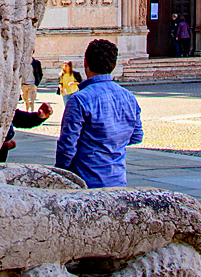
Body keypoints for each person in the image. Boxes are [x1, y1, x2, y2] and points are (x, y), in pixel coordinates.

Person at [55, 38, 143, 186]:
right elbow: (137, 136)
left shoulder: (79, 100)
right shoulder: (129, 97)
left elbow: (67, 146)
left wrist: (61, 174)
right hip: (117, 179)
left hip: (85, 180)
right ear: (114, 65)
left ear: (85, 63)